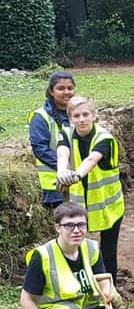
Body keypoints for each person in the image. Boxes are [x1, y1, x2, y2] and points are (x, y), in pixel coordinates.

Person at [56, 96, 125, 280]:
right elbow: (63, 152)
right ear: (70, 118)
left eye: (85, 114)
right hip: (81, 204)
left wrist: (76, 176)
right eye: (76, 116)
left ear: (94, 115)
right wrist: (61, 171)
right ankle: (82, 283)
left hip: (109, 205)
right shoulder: (66, 133)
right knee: (77, 245)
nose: (81, 119)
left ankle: (109, 289)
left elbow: (91, 159)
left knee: (108, 249)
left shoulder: (105, 138)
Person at [28, 72, 76, 208]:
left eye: (70, 88)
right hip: (55, 183)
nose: (67, 92)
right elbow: (40, 150)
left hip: (78, 178)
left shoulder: (78, 114)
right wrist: (65, 169)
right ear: (51, 91)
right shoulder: (40, 117)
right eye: (61, 88)